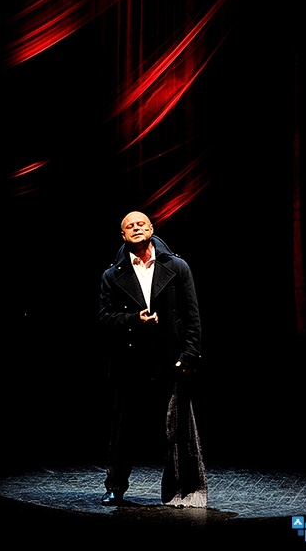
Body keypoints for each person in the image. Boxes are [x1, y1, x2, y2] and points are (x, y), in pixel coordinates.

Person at [98, 210, 207, 508]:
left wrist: (190, 354)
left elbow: (192, 314)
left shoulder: (177, 266)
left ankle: (181, 490)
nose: (136, 228)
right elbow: (105, 318)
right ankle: (115, 487)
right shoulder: (112, 274)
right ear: (123, 235)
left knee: (177, 428)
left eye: (141, 224)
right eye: (129, 226)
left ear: (151, 228)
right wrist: (135, 319)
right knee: (123, 430)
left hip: (169, 357)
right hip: (130, 360)